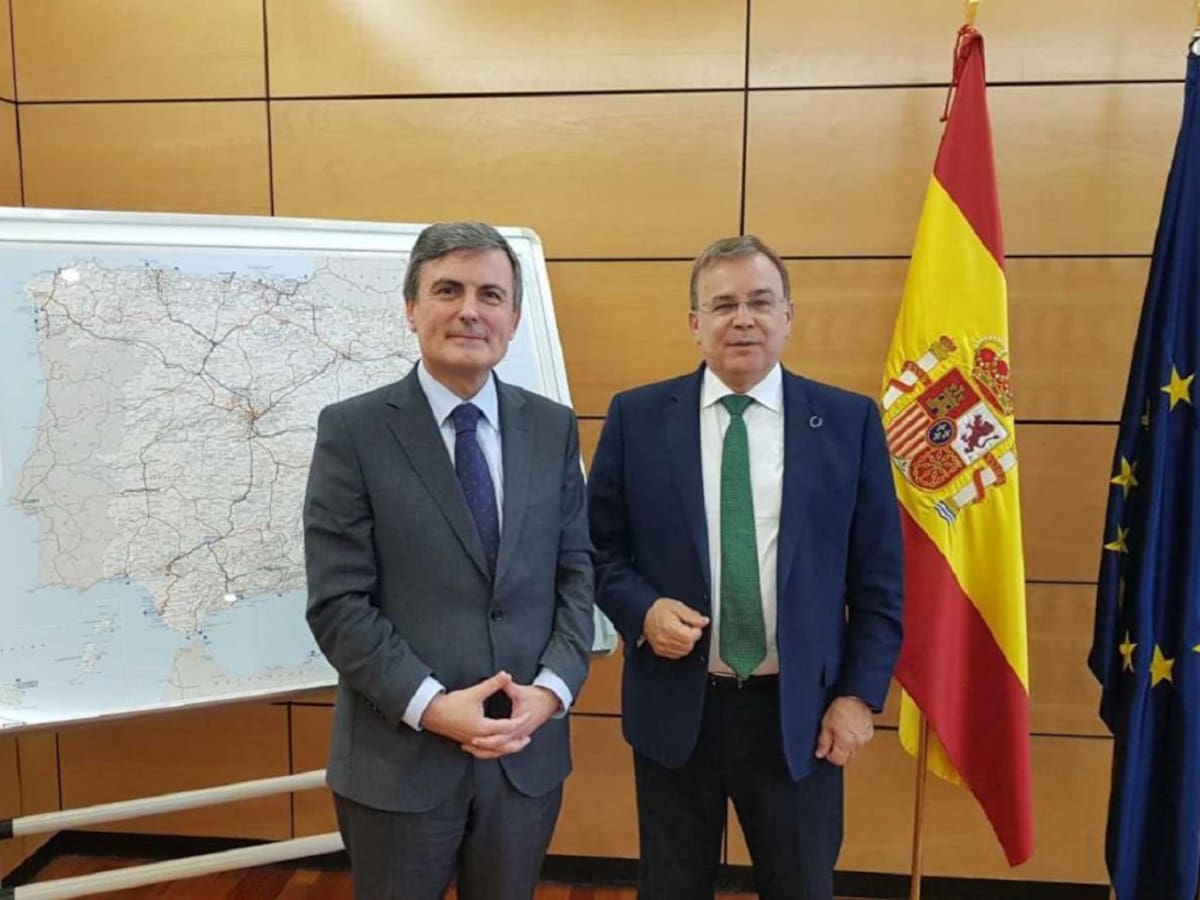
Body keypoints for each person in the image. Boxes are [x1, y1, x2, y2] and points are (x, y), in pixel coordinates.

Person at [587, 234, 903, 900]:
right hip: (678, 708)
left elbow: (879, 582)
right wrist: (642, 610)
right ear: (694, 322)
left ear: (788, 315)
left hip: (800, 715)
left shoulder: (847, 422)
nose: (743, 319)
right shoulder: (637, 418)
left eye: (760, 302)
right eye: (723, 304)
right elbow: (597, 551)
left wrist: (857, 696)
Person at [304, 221, 594, 900]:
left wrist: (552, 691)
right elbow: (338, 603)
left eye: (491, 295)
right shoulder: (353, 430)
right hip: (398, 762)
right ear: (412, 308)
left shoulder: (552, 427)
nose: (470, 310)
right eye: (447, 290)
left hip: (524, 759)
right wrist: (432, 706)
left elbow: (576, 573)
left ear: (513, 319)